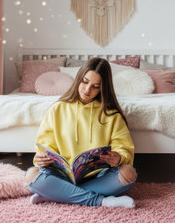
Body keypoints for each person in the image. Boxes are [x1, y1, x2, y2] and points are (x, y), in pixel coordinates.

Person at [25, 58, 137, 208]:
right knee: (31, 176)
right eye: (85, 82)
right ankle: (101, 201)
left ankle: (56, 194)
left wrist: (118, 158)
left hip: (97, 177)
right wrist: (40, 158)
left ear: (103, 88)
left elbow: (124, 148)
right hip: (62, 176)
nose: (87, 90)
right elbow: (44, 146)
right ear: (78, 79)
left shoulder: (112, 115)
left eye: (95, 86)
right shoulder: (57, 109)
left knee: (128, 173)